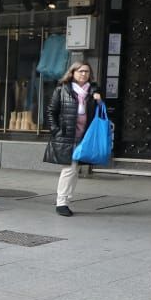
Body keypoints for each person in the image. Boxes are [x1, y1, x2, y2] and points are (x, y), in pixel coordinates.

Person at [44, 61, 102, 216]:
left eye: (87, 72)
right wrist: (56, 130)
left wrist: (98, 98)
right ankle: (61, 202)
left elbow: (101, 111)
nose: (84, 74)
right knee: (69, 168)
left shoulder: (93, 92)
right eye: (81, 71)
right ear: (73, 73)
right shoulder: (62, 90)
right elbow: (51, 111)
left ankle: (65, 199)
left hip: (85, 136)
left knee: (75, 170)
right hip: (67, 135)